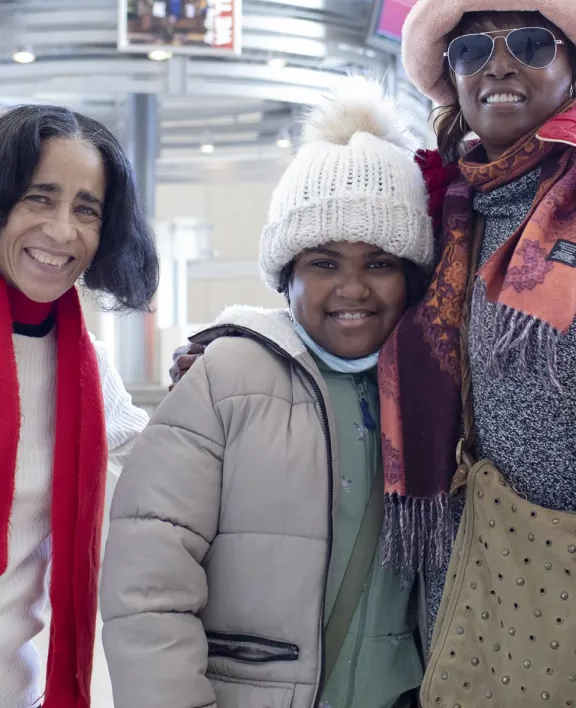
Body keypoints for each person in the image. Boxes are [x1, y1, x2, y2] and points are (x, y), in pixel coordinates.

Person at [101, 77, 433, 708]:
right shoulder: (226, 378)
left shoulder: (437, 396)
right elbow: (147, 585)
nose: (353, 289)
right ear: (286, 277)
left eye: (381, 262)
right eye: (324, 262)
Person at [377, 0, 576, 703]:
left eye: (528, 43)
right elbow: (340, 292)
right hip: (462, 577)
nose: (497, 66)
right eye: (472, 48)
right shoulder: (435, 211)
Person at [0, 104, 158, 708]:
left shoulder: (84, 365)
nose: (63, 231)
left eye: (86, 209)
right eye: (39, 198)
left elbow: (162, 466)